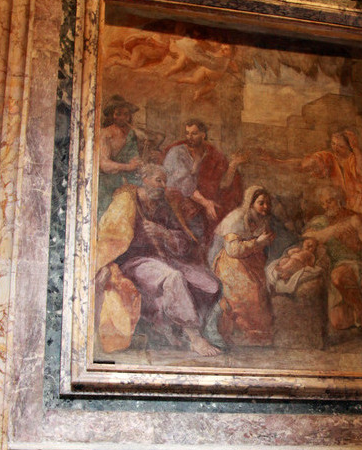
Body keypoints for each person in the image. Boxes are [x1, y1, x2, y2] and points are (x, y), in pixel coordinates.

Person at [95, 162, 222, 356]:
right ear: (144, 179)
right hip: (135, 262)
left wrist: (165, 234)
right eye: (158, 180)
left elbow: (183, 242)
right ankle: (195, 337)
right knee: (173, 278)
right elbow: (111, 238)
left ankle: (169, 326)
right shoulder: (126, 201)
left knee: (211, 285)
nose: (162, 186)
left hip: (164, 259)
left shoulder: (162, 206)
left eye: (164, 182)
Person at [303, 185, 362, 338]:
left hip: (358, 266)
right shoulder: (321, 222)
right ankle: (357, 311)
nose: (326, 206)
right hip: (336, 267)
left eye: (329, 201)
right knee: (339, 322)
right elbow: (309, 236)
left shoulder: (355, 219)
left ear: (339, 200)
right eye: (323, 203)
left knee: (338, 275)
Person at [161, 119, 243, 249]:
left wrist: (233, 165)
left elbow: (222, 185)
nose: (189, 137)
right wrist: (206, 203)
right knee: (195, 235)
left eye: (194, 133)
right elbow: (185, 185)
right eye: (187, 133)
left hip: (199, 200)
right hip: (177, 200)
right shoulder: (177, 153)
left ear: (203, 135)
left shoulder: (210, 155)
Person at [210, 186, 275, 346]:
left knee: (261, 289)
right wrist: (258, 242)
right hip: (231, 264)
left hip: (251, 262)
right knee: (249, 290)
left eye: (268, 203)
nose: (265, 207)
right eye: (261, 203)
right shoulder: (237, 218)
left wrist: (263, 243)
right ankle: (243, 334)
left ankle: (257, 336)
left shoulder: (261, 219)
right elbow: (233, 250)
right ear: (251, 203)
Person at [302, 129, 362, 230]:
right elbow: (310, 162)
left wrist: (356, 149)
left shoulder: (355, 158)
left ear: (349, 147)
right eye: (333, 144)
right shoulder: (331, 158)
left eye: (340, 146)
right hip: (346, 206)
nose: (336, 149)